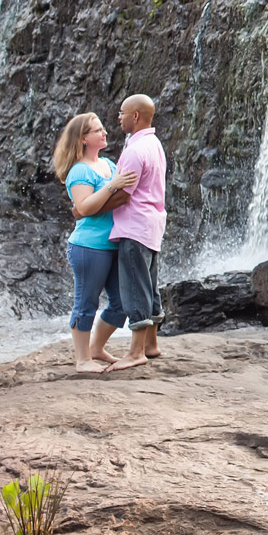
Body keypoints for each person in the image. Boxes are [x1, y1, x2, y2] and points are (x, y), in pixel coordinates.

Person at [51, 113, 138, 372]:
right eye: (98, 130)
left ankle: (96, 348)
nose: (105, 133)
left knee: (121, 303)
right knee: (86, 302)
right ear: (83, 138)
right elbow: (85, 207)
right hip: (89, 247)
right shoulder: (79, 170)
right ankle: (82, 360)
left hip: (113, 244)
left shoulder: (109, 165)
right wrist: (112, 186)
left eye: (103, 129)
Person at [105, 93, 168, 372]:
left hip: (134, 227)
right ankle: (151, 345)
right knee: (150, 284)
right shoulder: (154, 144)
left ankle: (136, 352)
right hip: (152, 225)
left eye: (122, 113)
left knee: (134, 287)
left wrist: (90, 208)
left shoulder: (134, 150)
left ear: (135, 116)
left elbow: (122, 196)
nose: (118, 118)